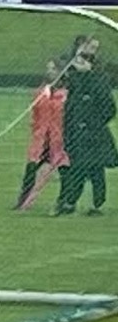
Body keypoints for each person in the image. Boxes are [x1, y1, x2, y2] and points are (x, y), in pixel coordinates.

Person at [55, 40, 115, 217]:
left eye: (82, 61)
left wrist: (93, 124)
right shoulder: (73, 82)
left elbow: (109, 109)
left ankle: (97, 204)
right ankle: (70, 202)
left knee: (96, 170)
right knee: (77, 169)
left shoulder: (98, 81)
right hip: (76, 135)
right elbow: (69, 109)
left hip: (94, 135)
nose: (78, 64)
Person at [18, 60, 70, 211]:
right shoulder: (41, 92)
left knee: (64, 170)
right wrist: (36, 130)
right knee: (31, 167)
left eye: (53, 69)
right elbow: (36, 114)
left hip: (59, 137)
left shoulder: (67, 93)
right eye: (48, 69)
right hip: (42, 137)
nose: (49, 72)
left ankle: (65, 200)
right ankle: (24, 200)